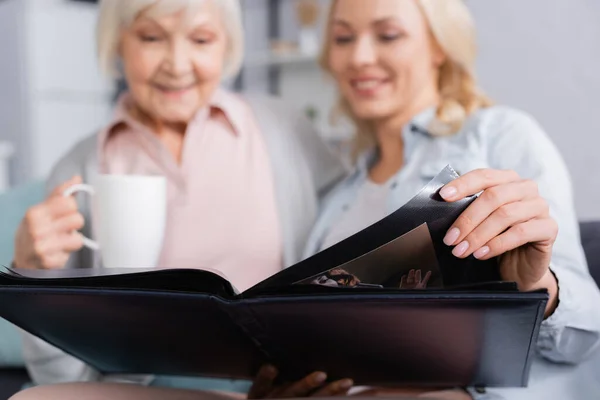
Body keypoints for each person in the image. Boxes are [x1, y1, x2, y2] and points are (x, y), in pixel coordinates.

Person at [12, 0, 600, 399]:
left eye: (387, 33)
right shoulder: (340, 192)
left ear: (440, 46)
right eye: (342, 38)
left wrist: (540, 287)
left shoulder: (495, 137)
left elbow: (581, 327)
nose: (358, 57)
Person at [12, 0, 345, 390]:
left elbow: (351, 232)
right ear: (118, 43)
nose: (177, 64)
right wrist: (28, 276)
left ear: (227, 45)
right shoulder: (80, 165)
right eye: (151, 38)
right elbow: (60, 376)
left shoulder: (285, 131)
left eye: (201, 39)